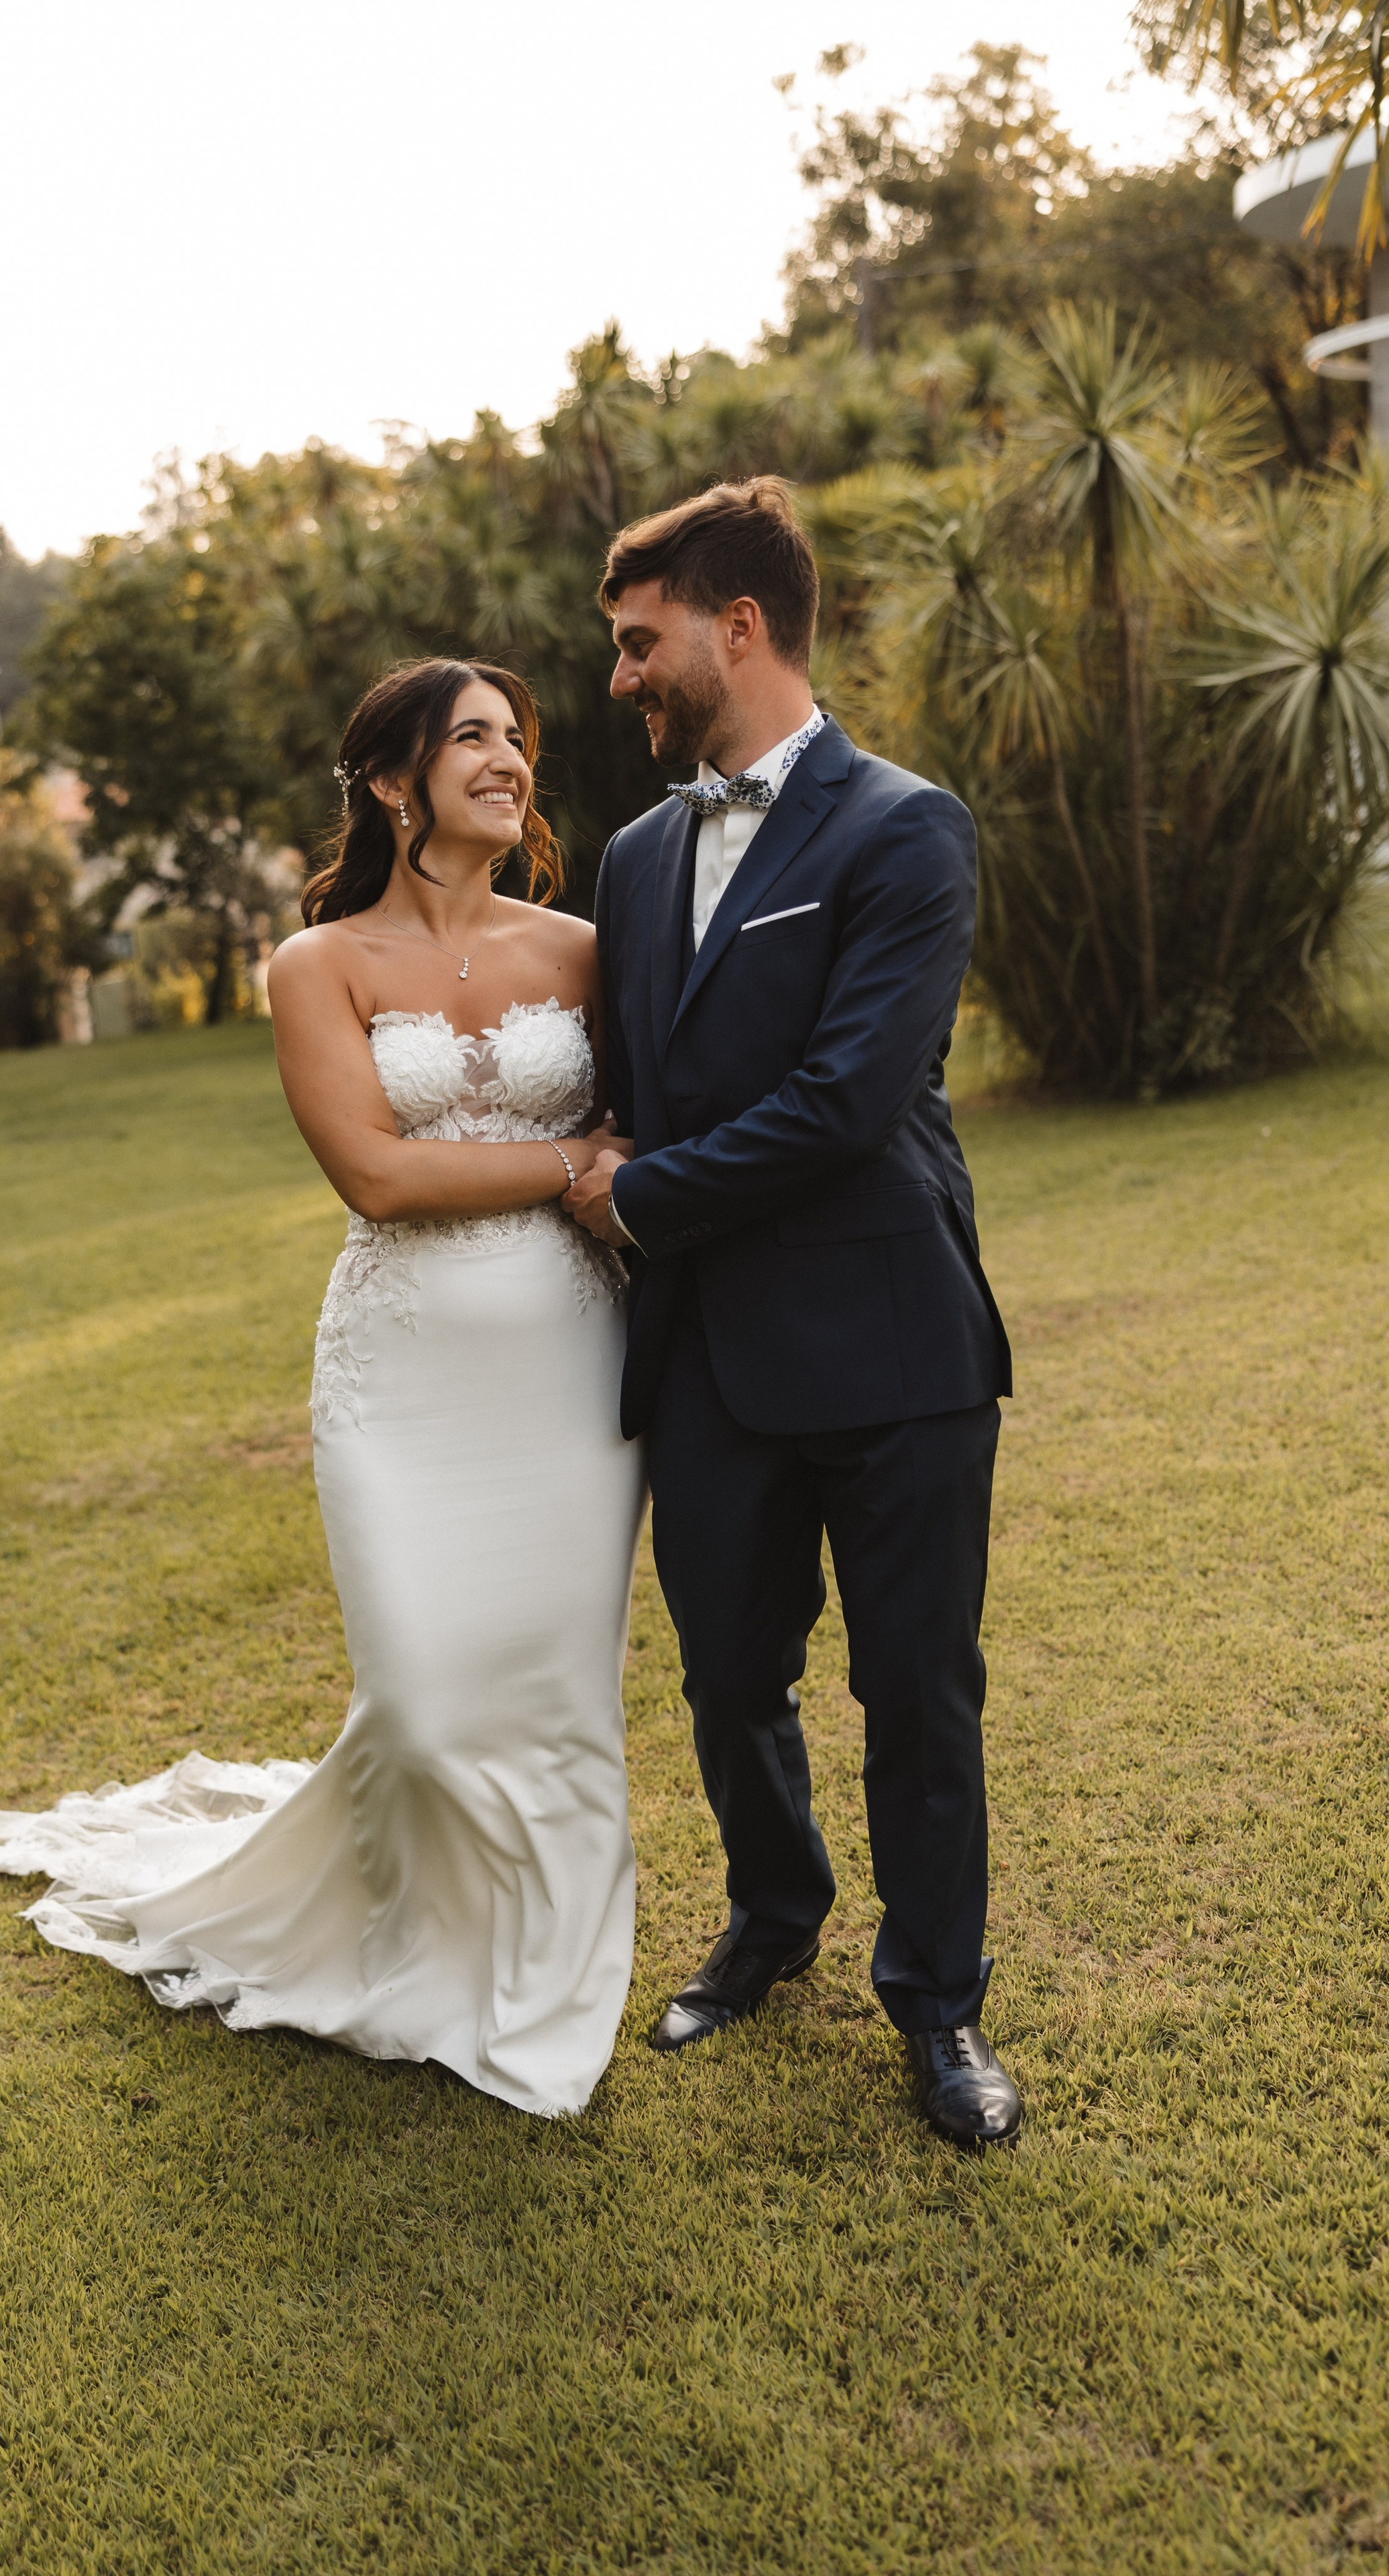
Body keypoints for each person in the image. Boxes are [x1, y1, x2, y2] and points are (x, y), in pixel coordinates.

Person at [0, 659, 645, 2120]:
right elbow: (380, 1175)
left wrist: (613, 1172)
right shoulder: (317, 966)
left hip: (572, 1381)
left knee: (555, 1697)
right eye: (470, 739)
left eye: (514, 741)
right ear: (393, 781)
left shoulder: (589, 947)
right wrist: (565, 1165)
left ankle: (546, 1989)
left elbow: (640, 1124)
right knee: (419, 1701)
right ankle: (402, 1938)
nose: (506, 761)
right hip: (401, 1381)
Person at [562, 477, 1023, 2149]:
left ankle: (940, 2009)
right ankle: (770, 1925)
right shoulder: (627, 859)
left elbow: (843, 1103)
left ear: (733, 629)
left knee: (914, 1689)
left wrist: (636, 1191)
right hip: (703, 1359)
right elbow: (620, 1085)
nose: (621, 676)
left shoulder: (905, 828)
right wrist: (602, 1151)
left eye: (637, 643)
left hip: (889, 1343)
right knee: (727, 1675)